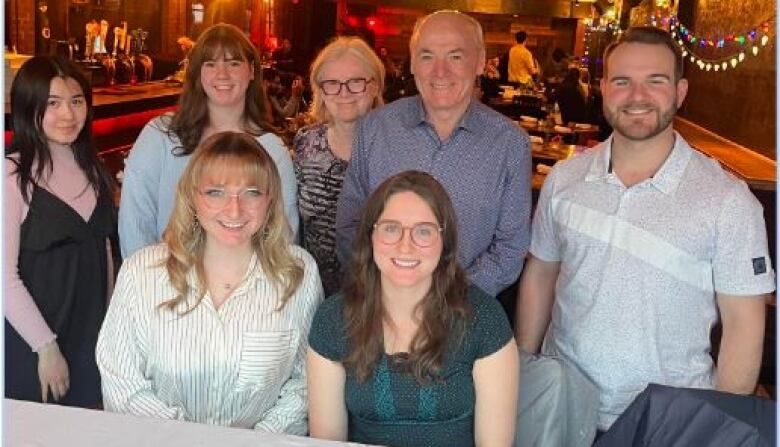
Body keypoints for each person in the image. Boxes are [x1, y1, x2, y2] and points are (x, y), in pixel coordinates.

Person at [516, 26, 775, 433]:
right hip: (562, 406)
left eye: (655, 81)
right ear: (602, 88)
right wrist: (524, 367)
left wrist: (715, 427)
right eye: (623, 81)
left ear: (680, 91)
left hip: (666, 422)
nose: (637, 96)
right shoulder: (564, 179)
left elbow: (744, 324)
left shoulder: (728, 200)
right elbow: (541, 274)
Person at [97, 131, 323, 433]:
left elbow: (306, 382)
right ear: (192, 197)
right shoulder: (142, 272)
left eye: (252, 192)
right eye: (216, 192)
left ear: (270, 200)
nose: (234, 209)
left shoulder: (299, 273)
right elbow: (121, 382)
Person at [308, 171, 519, 446]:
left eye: (423, 231)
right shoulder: (333, 319)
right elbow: (328, 443)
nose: (405, 246)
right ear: (370, 235)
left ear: (445, 242)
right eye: (391, 228)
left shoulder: (484, 320)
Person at [336, 10, 532, 298]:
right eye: (427, 56)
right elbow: (351, 224)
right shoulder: (376, 128)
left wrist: (443, 301)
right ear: (413, 63)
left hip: (463, 315)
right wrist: (387, 294)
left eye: (455, 56)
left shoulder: (511, 144)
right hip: (379, 308)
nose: (440, 72)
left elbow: (510, 249)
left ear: (479, 62)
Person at [119, 23, 298, 259]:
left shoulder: (271, 149)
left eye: (234, 63)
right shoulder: (160, 135)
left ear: (252, 71)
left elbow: (284, 239)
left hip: (247, 290)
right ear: (198, 73)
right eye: (210, 64)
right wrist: (148, 286)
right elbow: (135, 222)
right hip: (163, 287)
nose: (222, 74)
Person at [4, 55, 118, 407]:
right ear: (28, 107)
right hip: (35, 344)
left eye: (76, 101)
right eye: (52, 103)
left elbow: (105, 254)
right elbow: (4, 277)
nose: (68, 115)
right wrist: (46, 347)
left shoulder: (92, 167)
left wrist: (114, 332)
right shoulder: (12, 176)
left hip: (92, 339)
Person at [294, 36, 384, 297]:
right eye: (332, 83)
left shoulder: (396, 148)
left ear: (374, 86)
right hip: (313, 293)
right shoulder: (305, 143)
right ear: (320, 90)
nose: (343, 93)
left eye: (355, 82)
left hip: (378, 297)